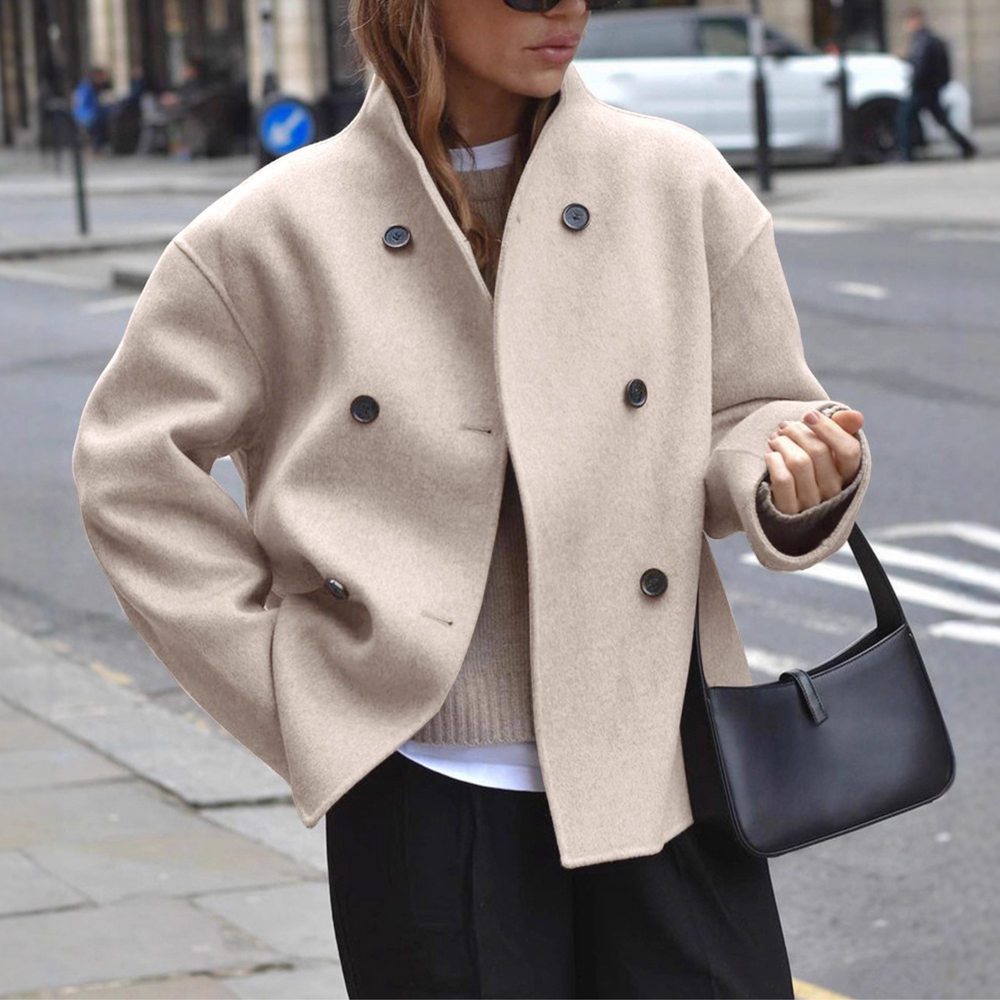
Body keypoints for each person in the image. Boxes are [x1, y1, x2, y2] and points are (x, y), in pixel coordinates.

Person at [72, 0, 873, 996]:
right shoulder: (277, 229)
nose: (565, 7)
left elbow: (755, 403)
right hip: (427, 790)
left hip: (666, 760)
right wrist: (292, 683)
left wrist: (787, 464)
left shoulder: (675, 184)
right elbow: (130, 466)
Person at [894, 4, 977, 161]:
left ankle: (906, 154)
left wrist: (914, 80)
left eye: (908, 21)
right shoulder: (926, 39)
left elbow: (922, 66)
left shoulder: (923, 40)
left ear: (916, 20)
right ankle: (966, 146)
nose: (906, 25)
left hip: (923, 89)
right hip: (930, 88)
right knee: (941, 120)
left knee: (904, 118)